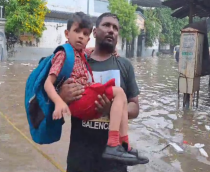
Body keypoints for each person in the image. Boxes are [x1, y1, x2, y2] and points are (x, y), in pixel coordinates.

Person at [44, 12, 147, 166]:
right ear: (94, 32)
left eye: (115, 28)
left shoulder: (124, 65)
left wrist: (111, 108)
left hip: (114, 164)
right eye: (106, 25)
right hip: (80, 158)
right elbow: (49, 99)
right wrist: (62, 95)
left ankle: (123, 145)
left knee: (119, 95)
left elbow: (135, 108)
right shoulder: (76, 59)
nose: (111, 30)